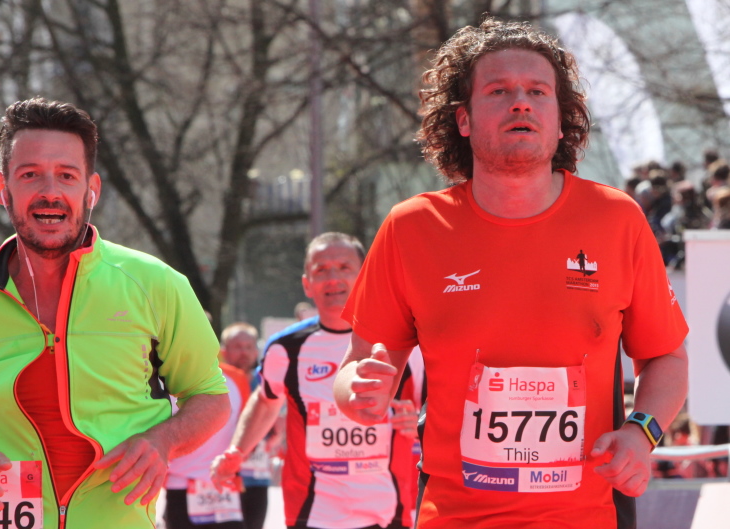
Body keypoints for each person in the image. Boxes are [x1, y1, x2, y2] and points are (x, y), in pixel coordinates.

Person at [333, 19, 688, 529]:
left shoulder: (617, 220)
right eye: (499, 91)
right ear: (463, 119)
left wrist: (641, 432)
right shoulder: (412, 227)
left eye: (537, 92)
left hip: (587, 518)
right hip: (453, 518)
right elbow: (357, 366)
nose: (520, 103)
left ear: (560, 121)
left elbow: (667, 357)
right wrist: (359, 393)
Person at [0, 97, 230, 528]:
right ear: (2, 188)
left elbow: (210, 396)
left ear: (91, 189)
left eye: (67, 175)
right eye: (30, 174)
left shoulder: (156, 284)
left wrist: (163, 441)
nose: (50, 192)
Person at [212, 232, 417, 529]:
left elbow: (439, 406)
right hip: (312, 510)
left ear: (366, 276)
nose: (333, 278)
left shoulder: (405, 342)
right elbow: (267, 401)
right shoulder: (285, 348)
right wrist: (237, 451)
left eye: (344, 267)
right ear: (307, 284)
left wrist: (420, 424)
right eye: (321, 270)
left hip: (388, 510)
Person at [162, 326, 251, 529]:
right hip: (182, 484)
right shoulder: (163, 379)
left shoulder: (237, 378)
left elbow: (245, 427)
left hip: (224, 484)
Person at [220, 323, 276, 529]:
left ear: (257, 350)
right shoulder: (214, 382)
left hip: (256, 478)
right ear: (224, 351)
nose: (244, 352)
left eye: (249, 347)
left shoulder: (267, 382)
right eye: (237, 346)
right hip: (220, 478)